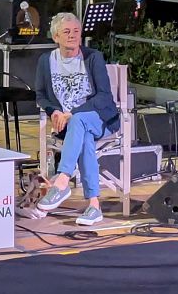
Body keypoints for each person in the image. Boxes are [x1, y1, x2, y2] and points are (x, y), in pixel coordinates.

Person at [35, 12, 119, 226]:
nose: (72, 35)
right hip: (69, 125)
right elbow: (41, 95)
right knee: (84, 139)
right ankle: (94, 206)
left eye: (76, 31)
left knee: (79, 120)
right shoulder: (46, 61)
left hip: (100, 119)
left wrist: (72, 113)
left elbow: (104, 96)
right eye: (66, 32)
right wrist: (54, 111)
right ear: (56, 37)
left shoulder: (93, 57)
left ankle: (62, 180)